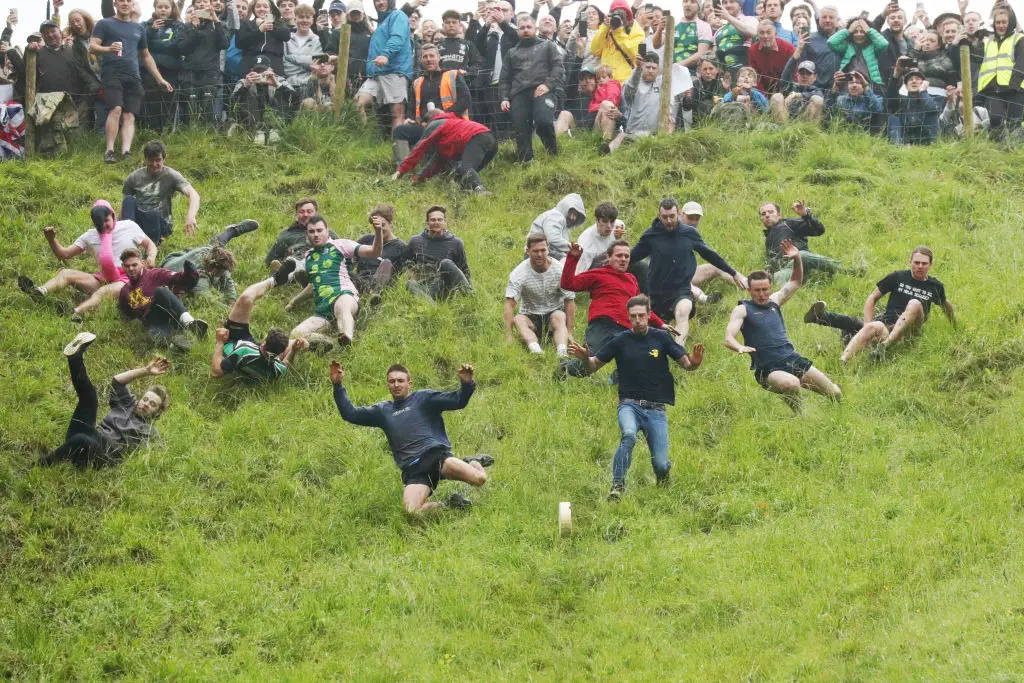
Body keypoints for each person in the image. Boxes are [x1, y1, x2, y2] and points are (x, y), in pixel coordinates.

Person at [568, 295, 704, 499]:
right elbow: (595, 365)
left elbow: (686, 364)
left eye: (642, 315)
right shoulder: (620, 340)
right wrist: (585, 358)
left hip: (656, 409)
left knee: (661, 464)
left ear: (649, 315)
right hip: (629, 405)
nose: (638, 320)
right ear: (628, 317)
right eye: (633, 316)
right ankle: (617, 486)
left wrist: (695, 362)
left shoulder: (662, 338)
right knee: (629, 435)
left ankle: (663, 480)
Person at [332, 360, 493, 515]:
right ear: (388, 384)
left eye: (400, 380)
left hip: (437, 458)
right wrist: (337, 385)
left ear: (410, 383)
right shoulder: (382, 411)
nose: (396, 384)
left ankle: (474, 462)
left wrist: (466, 384)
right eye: (392, 381)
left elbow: (458, 401)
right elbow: (350, 414)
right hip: (414, 471)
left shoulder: (424, 398)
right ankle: (451, 503)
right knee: (412, 512)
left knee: (479, 479)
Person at [725, 241, 841, 413]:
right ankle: (801, 417)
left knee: (835, 394)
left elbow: (795, 281)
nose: (762, 294)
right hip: (768, 369)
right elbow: (728, 337)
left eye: (765, 289)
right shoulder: (743, 309)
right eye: (757, 290)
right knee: (791, 383)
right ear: (749, 290)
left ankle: (838, 416)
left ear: (770, 287)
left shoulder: (775, 302)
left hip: (792, 359)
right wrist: (739, 347)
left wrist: (797, 258)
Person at [39, 332, 170, 468]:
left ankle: (40, 465)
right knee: (90, 397)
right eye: (145, 399)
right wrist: (146, 370)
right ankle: (75, 358)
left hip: (102, 457)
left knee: (82, 438)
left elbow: (160, 456)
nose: (146, 404)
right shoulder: (127, 403)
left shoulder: (150, 431)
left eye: (152, 404)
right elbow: (117, 381)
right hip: (91, 436)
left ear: (157, 412)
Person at [631, 197, 745, 345]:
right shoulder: (650, 235)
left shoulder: (689, 233)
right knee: (651, 337)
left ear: (678, 213)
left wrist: (733, 272)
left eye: (672, 216)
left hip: (681, 290)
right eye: (665, 217)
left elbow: (709, 254)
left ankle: (679, 352)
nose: (669, 220)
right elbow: (631, 258)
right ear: (659, 216)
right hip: (656, 292)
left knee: (682, 312)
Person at [18, 200, 156, 320]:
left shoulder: (128, 226)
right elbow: (64, 254)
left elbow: (150, 244)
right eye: (99, 224)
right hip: (103, 278)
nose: (104, 226)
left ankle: (75, 313)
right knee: (66, 273)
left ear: (113, 215)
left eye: (106, 221)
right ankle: (39, 292)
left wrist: (151, 257)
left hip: (128, 278)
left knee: (102, 292)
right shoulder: (90, 236)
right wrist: (51, 240)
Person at [828, 246, 955, 364]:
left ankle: (885, 345)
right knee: (874, 325)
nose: (920, 266)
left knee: (915, 303)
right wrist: (867, 325)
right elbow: (872, 298)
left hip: (910, 331)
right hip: (888, 327)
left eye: (924, 263)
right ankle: (843, 361)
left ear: (930, 265)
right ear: (910, 262)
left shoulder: (935, 286)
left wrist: (954, 325)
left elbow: (945, 304)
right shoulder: (897, 277)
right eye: (916, 263)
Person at [90, 0, 175, 163]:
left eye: (129, 1)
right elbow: (92, 46)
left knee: (130, 115)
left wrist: (160, 79)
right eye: (122, 0)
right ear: (115, 3)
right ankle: (109, 151)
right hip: (112, 74)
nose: (125, 3)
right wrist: (108, 49)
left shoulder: (138, 28)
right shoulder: (104, 23)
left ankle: (126, 152)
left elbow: (146, 55)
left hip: (134, 76)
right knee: (115, 109)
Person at [287, 214, 382, 350]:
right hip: (322, 311)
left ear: (327, 231)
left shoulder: (341, 245)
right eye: (311, 231)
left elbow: (374, 252)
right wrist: (293, 302)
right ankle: (328, 341)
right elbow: (313, 286)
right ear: (307, 234)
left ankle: (346, 337)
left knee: (341, 307)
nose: (315, 234)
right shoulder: (308, 256)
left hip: (344, 295)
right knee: (295, 334)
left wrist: (377, 232)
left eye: (319, 230)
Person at [210, 264, 309, 380]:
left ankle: (274, 280)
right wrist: (293, 350)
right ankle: (310, 343)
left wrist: (219, 342)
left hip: (233, 341)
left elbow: (216, 372)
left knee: (245, 299)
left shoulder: (244, 352)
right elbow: (285, 366)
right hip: (254, 349)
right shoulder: (276, 370)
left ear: (263, 342)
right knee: (304, 344)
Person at [499, 14, 564, 163]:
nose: (525, 30)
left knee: (544, 122)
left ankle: (553, 155)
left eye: (529, 27)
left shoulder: (548, 45)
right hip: (518, 94)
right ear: (518, 31)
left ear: (535, 28)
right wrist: (504, 98)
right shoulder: (511, 52)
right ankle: (526, 162)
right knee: (520, 129)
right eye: (522, 28)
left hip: (542, 90)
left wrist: (548, 84)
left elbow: (558, 67)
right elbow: (505, 78)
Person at [392, 43, 472, 165]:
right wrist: (410, 118)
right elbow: (412, 107)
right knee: (400, 131)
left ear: (439, 58)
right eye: (425, 57)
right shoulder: (417, 82)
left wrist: (443, 114)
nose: (428, 59)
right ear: (420, 60)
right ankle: (403, 168)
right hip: (425, 126)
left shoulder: (453, 75)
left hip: (450, 124)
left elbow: (465, 100)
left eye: (431, 56)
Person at [117, 248, 209, 349]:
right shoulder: (124, 292)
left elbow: (178, 278)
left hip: (173, 313)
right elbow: (126, 316)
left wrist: (189, 273)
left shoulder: (155, 274)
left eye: (134, 265)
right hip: (154, 322)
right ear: (122, 267)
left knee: (160, 291)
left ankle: (191, 324)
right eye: (127, 266)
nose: (131, 269)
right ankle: (177, 345)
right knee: (151, 336)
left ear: (142, 263)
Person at [393, 110, 496, 194]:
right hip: (491, 142)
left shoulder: (436, 123)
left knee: (466, 168)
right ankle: (471, 195)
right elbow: (434, 164)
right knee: (462, 175)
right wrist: (416, 180)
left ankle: (481, 191)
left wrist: (400, 170)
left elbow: (419, 147)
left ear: (426, 124)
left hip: (478, 137)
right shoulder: (451, 132)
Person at [504, 234, 575, 356]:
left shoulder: (559, 269)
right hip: (530, 315)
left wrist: (569, 331)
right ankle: (536, 351)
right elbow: (509, 305)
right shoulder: (519, 273)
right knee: (519, 319)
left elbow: (569, 300)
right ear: (528, 251)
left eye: (543, 250)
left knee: (559, 316)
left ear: (549, 249)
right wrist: (508, 335)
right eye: (535, 251)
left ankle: (562, 353)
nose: (540, 254)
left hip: (554, 313)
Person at [121, 140, 201, 244]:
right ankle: (127, 241)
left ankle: (152, 247)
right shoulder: (134, 177)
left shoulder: (171, 175)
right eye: (151, 160)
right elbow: (125, 207)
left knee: (153, 213)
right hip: (141, 219)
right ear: (145, 159)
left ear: (164, 158)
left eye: (158, 160)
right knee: (128, 200)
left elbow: (193, 194)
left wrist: (190, 216)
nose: (154, 164)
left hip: (161, 222)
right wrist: (117, 227)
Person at [355, 0, 412, 130]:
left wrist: (386, 54)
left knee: (397, 114)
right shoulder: (381, 23)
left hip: (395, 71)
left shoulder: (398, 16)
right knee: (358, 103)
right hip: (376, 74)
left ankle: (399, 148)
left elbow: (398, 37)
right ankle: (363, 142)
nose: (380, 3)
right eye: (376, 1)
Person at [759, 199, 841, 286]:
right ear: (761, 219)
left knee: (801, 255)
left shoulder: (788, 223)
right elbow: (773, 263)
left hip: (802, 260)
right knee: (778, 276)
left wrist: (805, 215)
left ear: (779, 215)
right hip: (789, 270)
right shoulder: (768, 239)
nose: (767, 215)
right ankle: (788, 297)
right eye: (763, 214)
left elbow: (819, 230)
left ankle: (842, 270)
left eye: (771, 212)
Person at [598, 51, 664, 154]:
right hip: (633, 133)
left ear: (658, 69)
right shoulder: (631, 83)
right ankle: (607, 152)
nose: (651, 71)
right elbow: (630, 90)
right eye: (648, 67)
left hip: (654, 135)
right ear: (642, 67)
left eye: (654, 68)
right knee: (621, 136)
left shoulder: (663, 84)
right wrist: (637, 69)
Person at [404, 205, 472, 301]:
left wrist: (466, 287)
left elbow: (464, 270)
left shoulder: (456, 243)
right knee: (409, 283)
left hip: (446, 285)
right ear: (427, 222)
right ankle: (431, 306)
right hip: (425, 286)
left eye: (440, 220)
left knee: (446, 263)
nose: (436, 222)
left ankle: (471, 297)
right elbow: (407, 266)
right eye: (433, 220)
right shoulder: (415, 241)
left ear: (445, 222)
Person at [977, 6, 1024, 138]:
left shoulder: (1019, 39)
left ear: (1011, 23)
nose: (1001, 25)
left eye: (1004, 22)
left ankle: (1013, 148)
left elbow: (1022, 63)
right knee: (995, 118)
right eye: (998, 22)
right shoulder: (988, 42)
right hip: (993, 89)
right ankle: (996, 144)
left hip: (1015, 89)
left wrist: (1013, 86)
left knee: (1014, 123)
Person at [353, 202, 407, 299]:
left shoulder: (401, 247)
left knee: (386, 263)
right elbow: (351, 260)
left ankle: (373, 294)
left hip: (380, 284)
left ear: (390, 224)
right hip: (360, 281)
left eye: (383, 225)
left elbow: (404, 274)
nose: (379, 229)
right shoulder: (366, 240)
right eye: (376, 226)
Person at [264, 197, 336, 267]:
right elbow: (270, 261)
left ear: (316, 213)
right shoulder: (286, 235)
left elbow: (341, 253)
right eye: (301, 212)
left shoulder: (328, 233)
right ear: (296, 214)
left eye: (309, 211)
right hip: (293, 268)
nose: (305, 214)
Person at [588, 0, 645, 84]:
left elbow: (634, 53)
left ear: (627, 15)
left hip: (625, 82)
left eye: (621, 14)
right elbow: (594, 50)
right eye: (615, 13)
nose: (618, 16)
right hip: (606, 82)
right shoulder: (606, 28)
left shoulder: (635, 29)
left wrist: (618, 31)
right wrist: (605, 27)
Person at [886, 60, 941, 145]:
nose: (914, 81)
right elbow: (890, 101)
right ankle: (896, 148)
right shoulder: (902, 100)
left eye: (918, 79)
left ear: (924, 83)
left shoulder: (933, 99)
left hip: (926, 141)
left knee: (932, 114)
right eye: (910, 80)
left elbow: (932, 109)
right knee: (893, 118)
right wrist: (896, 75)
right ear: (906, 86)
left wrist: (923, 91)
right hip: (905, 140)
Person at [827, 17, 889, 88]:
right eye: (855, 32)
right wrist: (848, 31)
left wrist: (868, 30)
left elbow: (884, 44)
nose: (859, 34)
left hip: (870, 86)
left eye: (862, 31)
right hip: (849, 86)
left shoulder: (873, 47)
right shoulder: (847, 46)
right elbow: (831, 42)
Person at [651, 0, 712, 70]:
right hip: (670, 73)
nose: (688, 4)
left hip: (691, 73)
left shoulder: (704, 26)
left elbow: (701, 53)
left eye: (693, 2)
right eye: (685, 1)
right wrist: (660, 29)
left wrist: (677, 66)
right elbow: (656, 45)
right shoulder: (674, 24)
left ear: (699, 6)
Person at [527, 193, 586, 261]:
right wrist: (572, 248)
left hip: (546, 253)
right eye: (570, 212)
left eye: (575, 215)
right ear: (565, 208)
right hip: (537, 253)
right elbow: (552, 239)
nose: (572, 217)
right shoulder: (555, 216)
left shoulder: (564, 224)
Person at [574, 200, 625, 273]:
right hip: (594, 269)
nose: (609, 226)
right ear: (597, 220)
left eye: (612, 221)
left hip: (613, 263)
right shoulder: (586, 241)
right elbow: (579, 272)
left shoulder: (618, 226)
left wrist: (618, 239)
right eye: (604, 221)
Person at [748, 19, 795, 95]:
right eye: (762, 33)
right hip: (762, 92)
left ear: (775, 34)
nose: (765, 36)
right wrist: (763, 99)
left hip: (786, 91)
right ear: (757, 35)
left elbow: (794, 74)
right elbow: (755, 77)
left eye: (769, 32)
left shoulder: (788, 48)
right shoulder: (752, 50)